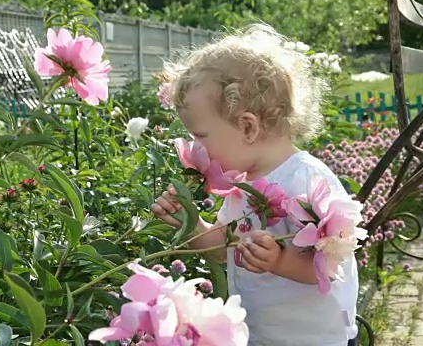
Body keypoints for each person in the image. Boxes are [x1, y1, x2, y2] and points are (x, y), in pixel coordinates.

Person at [152, 23, 359, 346]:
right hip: (262, 336)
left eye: (201, 136)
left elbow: (335, 264)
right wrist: (188, 222)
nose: (196, 149)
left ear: (248, 127)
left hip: (313, 338)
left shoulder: (304, 180)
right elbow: (223, 247)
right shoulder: (243, 183)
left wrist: (281, 261)